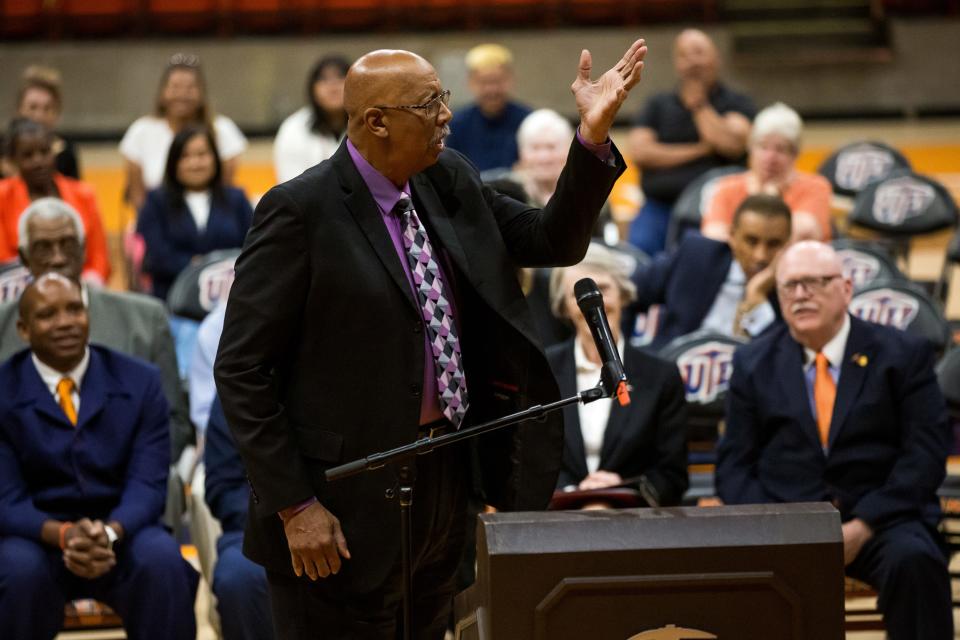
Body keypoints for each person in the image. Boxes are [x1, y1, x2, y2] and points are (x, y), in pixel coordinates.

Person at [214, 41, 646, 639]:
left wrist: (592, 140)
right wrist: (294, 505)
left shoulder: (448, 178)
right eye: (429, 104)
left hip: (446, 477)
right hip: (341, 499)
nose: (447, 113)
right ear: (376, 121)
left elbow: (553, 241)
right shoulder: (298, 211)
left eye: (443, 97)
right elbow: (241, 371)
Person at [716, 241, 953, 639]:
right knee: (732, 575)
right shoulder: (753, 362)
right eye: (789, 285)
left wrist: (865, 525)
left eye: (814, 282)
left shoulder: (902, 353)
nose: (801, 294)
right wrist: (782, 527)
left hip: (881, 522)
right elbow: (734, 468)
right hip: (786, 526)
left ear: (846, 288)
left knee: (915, 561)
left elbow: (925, 455)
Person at [0, 273, 198, 640]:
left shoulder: (141, 381)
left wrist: (109, 532)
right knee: (16, 571)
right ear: (24, 330)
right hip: (35, 538)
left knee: (162, 561)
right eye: (47, 314)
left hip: (122, 532)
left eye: (75, 309)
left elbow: (148, 484)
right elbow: (6, 500)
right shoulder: (3, 389)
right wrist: (64, 535)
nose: (64, 322)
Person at [0, 198, 193, 461]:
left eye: (67, 245)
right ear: (24, 256)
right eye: (43, 248)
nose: (57, 258)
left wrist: (138, 483)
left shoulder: (146, 320)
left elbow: (174, 421)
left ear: (83, 250)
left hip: (131, 486)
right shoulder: (3, 325)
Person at [547, 243, 688, 504]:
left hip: (634, 522)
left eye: (604, 290)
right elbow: (533, 460)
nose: (592, 306)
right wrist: (576, 495)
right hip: (560, 520)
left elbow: (672, 474)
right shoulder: (543, 371)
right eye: (577, 296)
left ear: (624, 295)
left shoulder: (661, 376)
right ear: (564, 308)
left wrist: (620, 491)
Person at [628, 28, 755, 256]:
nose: (692, 62)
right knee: (638, 251)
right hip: (659, 207)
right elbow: (640, 152)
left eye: (698, 52)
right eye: (684, 55)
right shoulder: (657, 104)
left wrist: (699, 105)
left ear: (716, 58)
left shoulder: (737, 102)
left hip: (718, 209)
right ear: (677, 63)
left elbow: (731, 144)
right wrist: (701, 149)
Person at [629, 193, 791, 350]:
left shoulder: (793, 288)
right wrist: (623, 352)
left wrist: (757, 294)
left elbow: (779, 358)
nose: (760, 255)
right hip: (671, 368)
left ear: (787, 244)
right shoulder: (697, 255)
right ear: (732, 236)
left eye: (774, 244)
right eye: (751, 241)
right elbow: (628, 292)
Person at [136, 124, 253, 300]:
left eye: (202, 154)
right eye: (185, 156)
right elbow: (156, 257)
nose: (195, 163)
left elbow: (253, 247)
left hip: (231, 299)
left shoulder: (237, 199)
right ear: (173, 162)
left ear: (215, 158)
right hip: (171, 300)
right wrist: (199, 267)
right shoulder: (156, 201)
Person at [120, 53, 247, 211]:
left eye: (190, 87)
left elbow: (225, 190)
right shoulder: (141, 131)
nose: (182, 94)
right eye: (175, 87)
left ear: (202, 92)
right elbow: (137, 195)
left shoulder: (223, 129)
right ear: (163, 91)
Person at [701, 102, 833, 242]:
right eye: (763, 147)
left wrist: (770, 199)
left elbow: (803, 233)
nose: (770, 158)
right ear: (750, 148)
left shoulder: (814, 186)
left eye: (780, 149)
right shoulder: (727, 187)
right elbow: (712, 237)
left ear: (794, 155)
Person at [0, 118, 109, 284]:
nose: (38, 162)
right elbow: (4, 261)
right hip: (20, 289)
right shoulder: (2, 196)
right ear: (14, 160)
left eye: (45, 152)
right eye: (28, 155)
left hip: (80, 285)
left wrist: (86, 286)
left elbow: (99, 258)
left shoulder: (84, 194)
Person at [205, 397, 275, 640]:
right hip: (255, 526)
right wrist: (280, 515)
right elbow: (222, 487)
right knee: (237, 576)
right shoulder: (238, 387)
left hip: (347, 523)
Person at [444, 43, 532, 172]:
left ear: (510, 80)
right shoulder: (457, 124)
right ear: (471, 82)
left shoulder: (529, 121)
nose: (492, 90)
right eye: (484, 82)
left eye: (497, 81)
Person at [274, 55, 350, 183]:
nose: (333, 86)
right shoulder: (293, 128)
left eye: (341, 77)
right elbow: (290, 186)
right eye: (324, 79)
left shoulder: (371, 124)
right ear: (312, 89)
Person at [10, 65, 80, 179]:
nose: (39, 115)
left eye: (47, 108)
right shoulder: (3, 152)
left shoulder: (66, 153)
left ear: (57, 113)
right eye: (33, 107)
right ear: (19, 110)